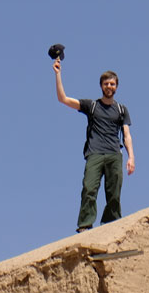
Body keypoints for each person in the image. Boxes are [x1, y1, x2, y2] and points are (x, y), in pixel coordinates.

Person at [54, 58, 134, 231]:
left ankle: (111, 225)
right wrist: (58, 73)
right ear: (101, 86)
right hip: (95, 153)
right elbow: (63, 99)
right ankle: (85, 225)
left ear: (117, 87)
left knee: (114, 194)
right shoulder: (91, 106)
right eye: (106, 84)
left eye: (112, 84)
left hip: (114, 154)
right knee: (89, 189)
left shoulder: (121, 110)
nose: (109, 87)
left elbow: (126, 135)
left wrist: (131, 158)